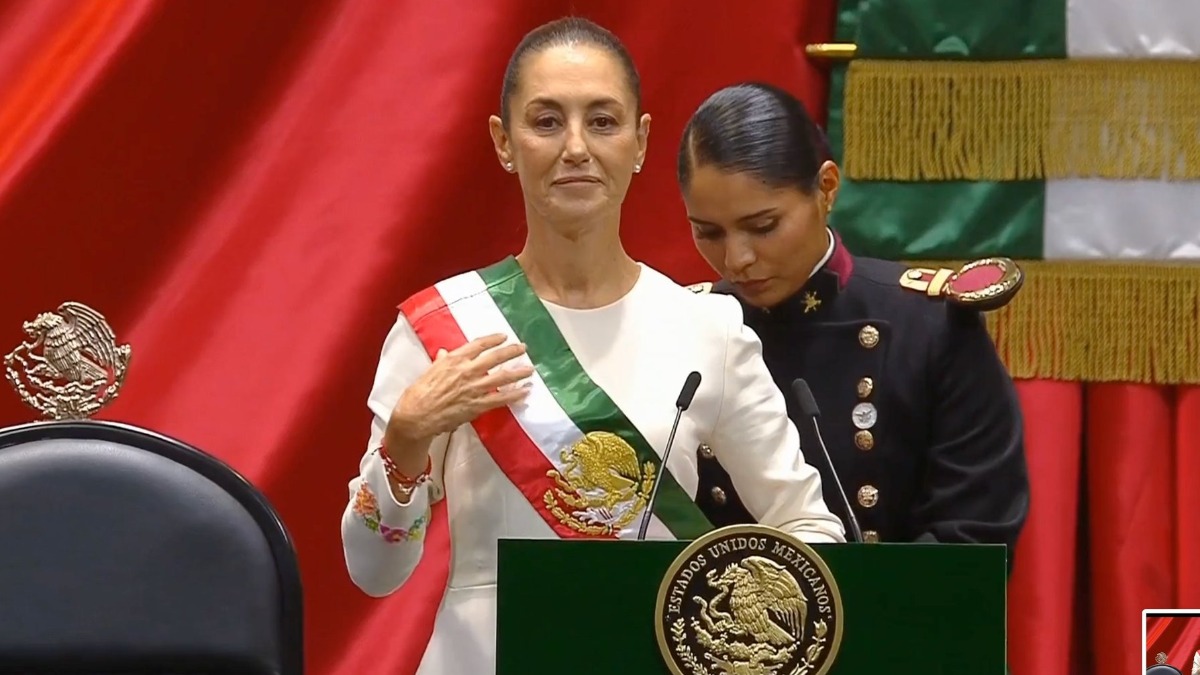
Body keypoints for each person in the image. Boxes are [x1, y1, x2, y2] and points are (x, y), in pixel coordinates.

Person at [339, 22, 846, 675]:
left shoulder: (707, 329)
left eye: (602, 122)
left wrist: (743, 649)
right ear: (503, 142)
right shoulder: (443, 327)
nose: (576, 147)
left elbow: (809, 530)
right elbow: (373, 571)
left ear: (639, 142)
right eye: (546, 122)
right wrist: (406, 437)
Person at [675, 82, 1030, 566]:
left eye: (763, 227)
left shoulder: (929, 325)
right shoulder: (684, 328)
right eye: (708, 232)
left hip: (894, 627)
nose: (736, 260)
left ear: (826, 188)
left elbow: (974, 537)